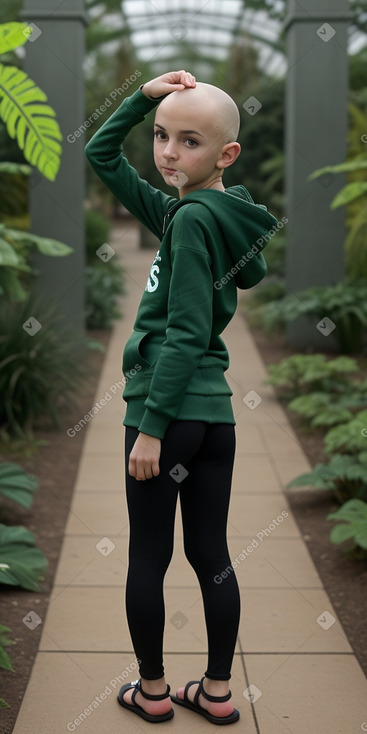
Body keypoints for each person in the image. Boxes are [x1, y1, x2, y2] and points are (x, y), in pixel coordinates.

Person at [85, 69, 279, 725]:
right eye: (162, 137)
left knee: (148, 554)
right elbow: (99, 156)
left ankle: (153, 692)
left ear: (225, 154)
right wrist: (143, 99)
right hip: (214, 418)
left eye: (188, 141)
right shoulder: (192, 211)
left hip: (166, 415)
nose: (168, 152)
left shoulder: (189, 219)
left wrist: (149, 427)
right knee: (211, 555)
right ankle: (218, 694)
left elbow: (188, 331)